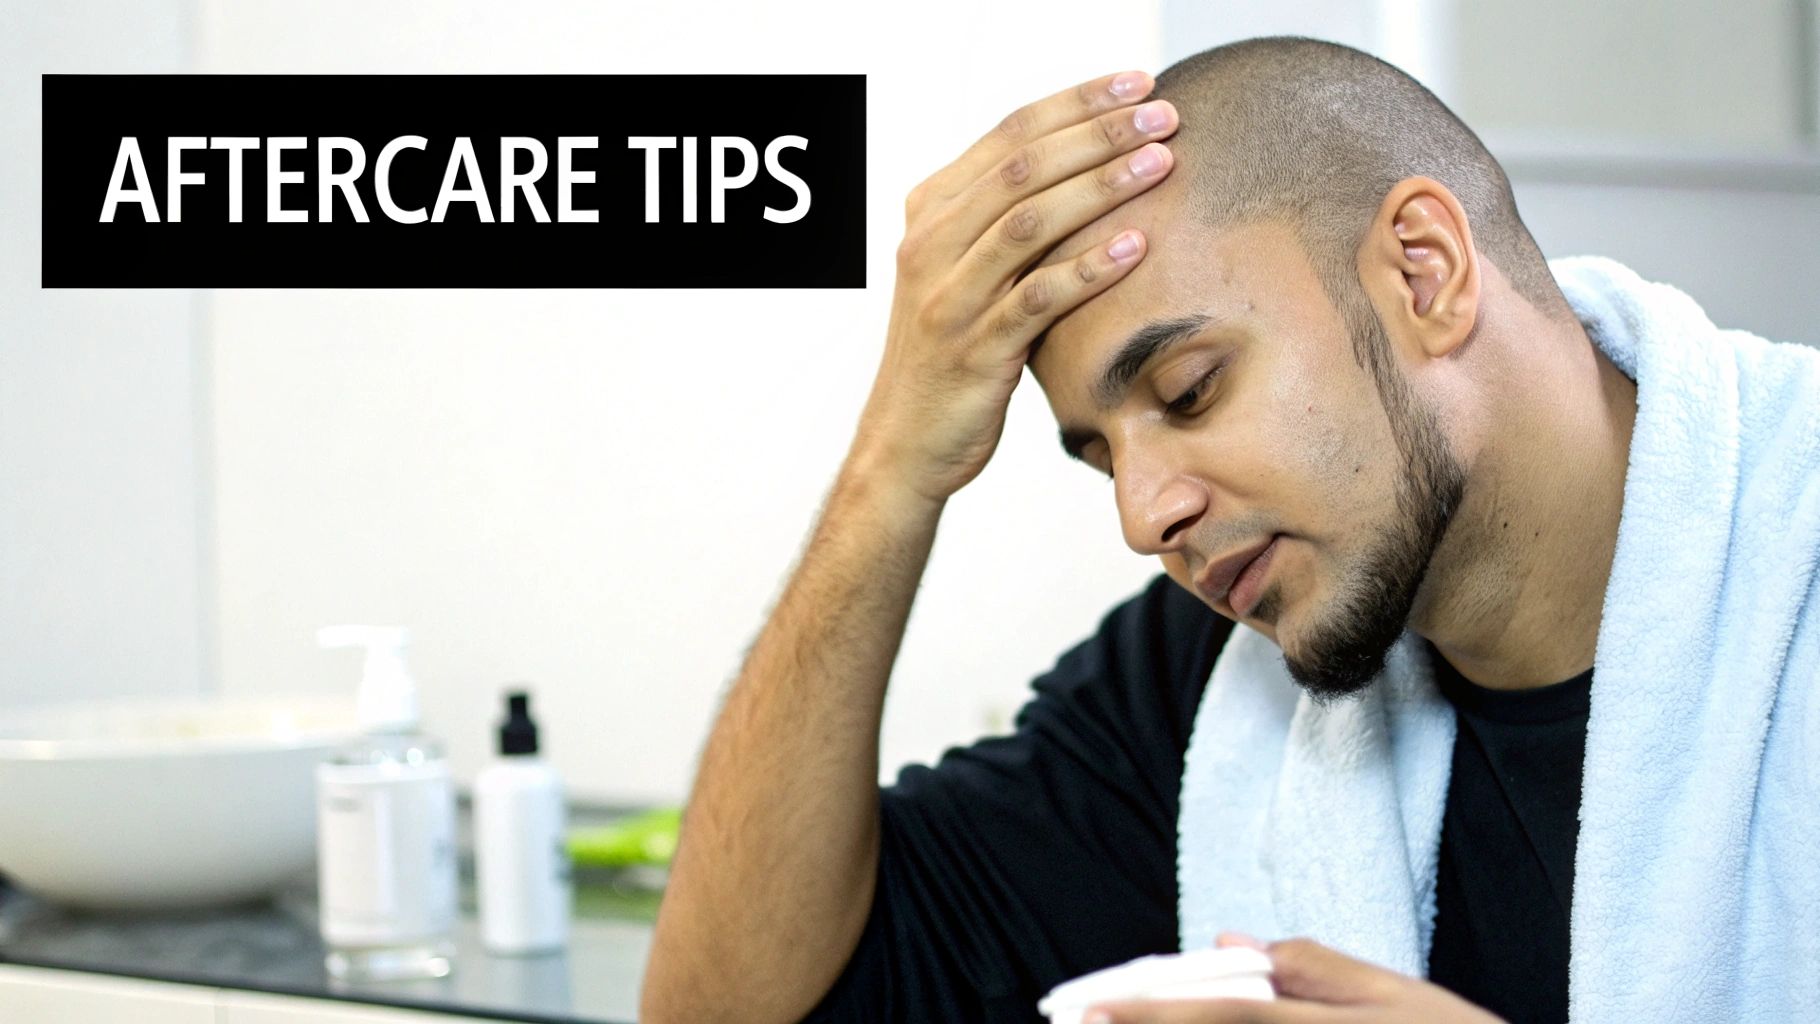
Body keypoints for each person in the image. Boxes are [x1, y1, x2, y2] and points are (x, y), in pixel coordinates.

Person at [641, 37, 1820, 1024]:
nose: (1144, 515)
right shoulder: (1207, 687)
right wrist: (890, 474)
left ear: (1422, 271)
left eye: (1190, 389)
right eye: (1101, 453)